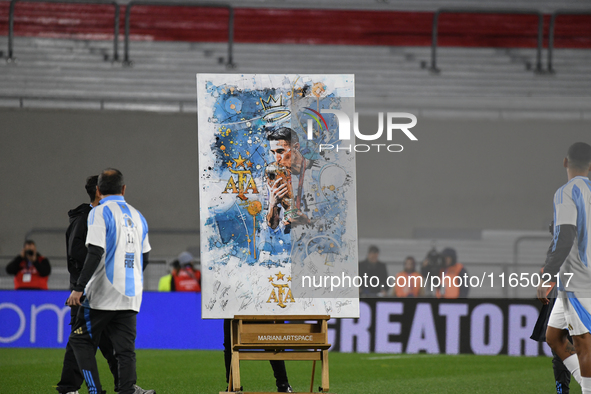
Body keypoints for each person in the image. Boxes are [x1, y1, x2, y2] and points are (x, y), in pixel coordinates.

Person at [66, 168, 155, 394]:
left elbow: (95, 252)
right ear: (124, 189)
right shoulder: (138, 215)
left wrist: (78, 288)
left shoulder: (98, 212)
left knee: (80, 341)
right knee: (125, 351)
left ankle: (95, 391)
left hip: (101, 293)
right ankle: (127, 390)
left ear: (98, 190)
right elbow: (144, 257)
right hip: (130, 295)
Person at [57, 175, 118, 394]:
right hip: (87, 292)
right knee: (81, 341)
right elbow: (77, 254)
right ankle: (68, 388)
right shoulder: (84, 219)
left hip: (102, 292)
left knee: (112, 344)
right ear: (100, 192)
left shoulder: (98, 217)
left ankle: (126, 386)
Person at [538, 142, 591, 394]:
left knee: (583, 343)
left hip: (578, 280)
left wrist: (547, 275)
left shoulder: (566, 192)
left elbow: (565, 235)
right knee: (554, 336)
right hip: (575, 281)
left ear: (564, 162)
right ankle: (585, 384)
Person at [223, 319, 293, 392]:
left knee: (230, 345)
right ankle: (283, 384)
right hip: (261, 315)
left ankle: (232, 386)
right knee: (272, 346)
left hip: (236, 315)